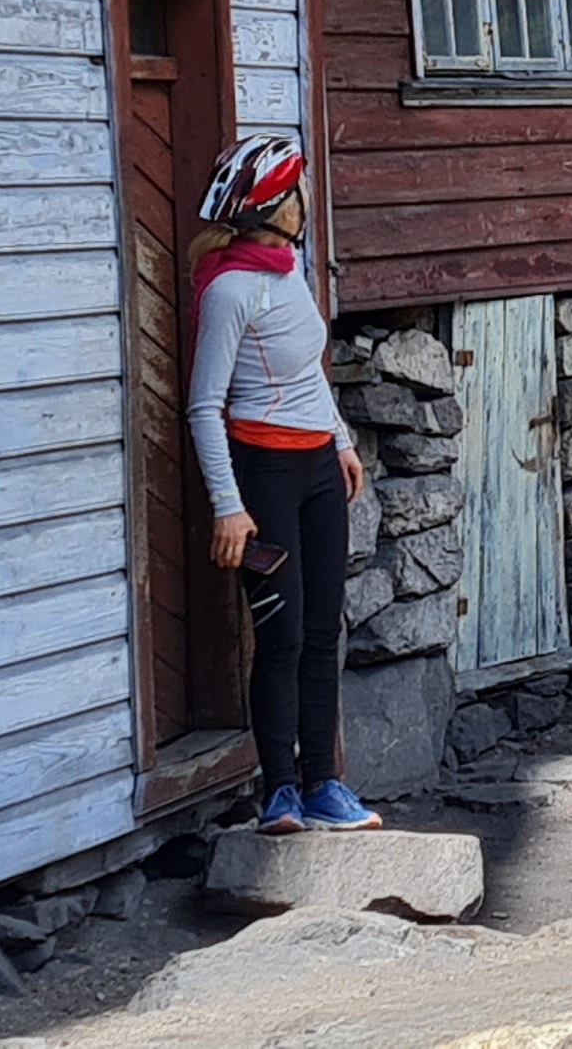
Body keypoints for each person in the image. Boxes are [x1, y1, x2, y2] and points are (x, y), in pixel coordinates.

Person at [183, 133, 379, 834]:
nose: (304, 204)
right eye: (297, 194)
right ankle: (281, 793)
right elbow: (205, 406)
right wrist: (228, 507)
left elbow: (303, 373)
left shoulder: (287, 269)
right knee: (283, 637)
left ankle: (326, 787)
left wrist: (343, 440)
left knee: (323, 632)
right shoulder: (232, 290)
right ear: (277, 205)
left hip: (320, 470)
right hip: (262, 476)